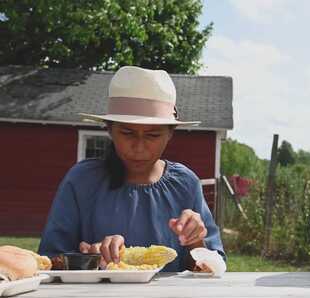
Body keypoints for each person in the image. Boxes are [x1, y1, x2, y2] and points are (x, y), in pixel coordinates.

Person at [38, 66, 225, 272]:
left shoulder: (186, 184)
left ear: (171, 133)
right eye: (127, 133)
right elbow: (48, 261)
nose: (138, 147)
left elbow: (212, 269)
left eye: (153, 135)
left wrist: (195, 242)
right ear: (109, 129)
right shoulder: (82, 180)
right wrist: (91, 256)